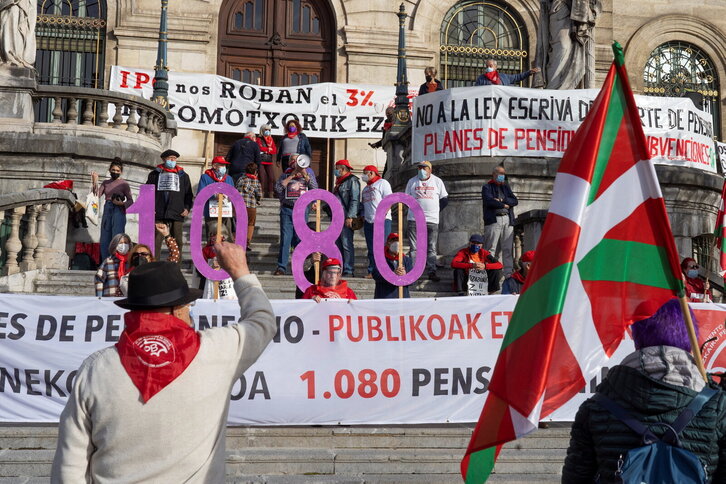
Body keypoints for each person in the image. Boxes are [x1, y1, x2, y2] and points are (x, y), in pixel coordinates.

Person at [52, 243, 275, 482]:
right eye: (188, 306)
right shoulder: (216, 351)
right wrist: (240, 272)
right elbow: (262, 321)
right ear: (178, 310)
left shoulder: (97, 368)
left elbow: (70, 464)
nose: (189, 312)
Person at [562, 298, 726, 483]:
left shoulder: (595, 407)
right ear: (691, 336)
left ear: (636, 337)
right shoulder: (717, 407)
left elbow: (575, 478)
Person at [274, 154, 318, 275]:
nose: (296, 162)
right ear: (290, 163)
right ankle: (281, 267)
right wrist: (291, 176)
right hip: (287, 209)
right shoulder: (286, 174)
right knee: (286, 239)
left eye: (298, 160)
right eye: (293, 160)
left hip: (302, 210)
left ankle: (298, 266)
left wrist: (305, 175)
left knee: (300, 239)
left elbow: (315, 188)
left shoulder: (308, 173)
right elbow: (277, 189)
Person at [405, 160, 448, 282]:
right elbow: (406, 198)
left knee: (431, 247)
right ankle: (414, 272)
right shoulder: (412, 181)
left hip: (431, 220)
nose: (421, 170)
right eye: (419, 168)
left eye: (424, 168)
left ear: (430, 170)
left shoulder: (437, 181)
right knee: (414, 247)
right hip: (414, 219)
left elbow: (444, 199)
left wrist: (435, 210)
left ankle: (431, 270)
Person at [146, 149, 193, 260]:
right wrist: (150, 207)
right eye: (170, 158)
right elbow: (147, 192)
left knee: (178, 242)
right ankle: (154, 265)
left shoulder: (183, 176)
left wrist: (187, 208)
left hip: (177, 213)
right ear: (164, 159)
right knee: (156, 241)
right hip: (159, 213)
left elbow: (189, 194)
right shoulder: (154, 174)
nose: (172, 160)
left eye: (174, 158)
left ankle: (175, 266)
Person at [119, 223, 180, 295]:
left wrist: (167, 235)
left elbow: (174, 256)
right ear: (132, 258)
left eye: (144, 254)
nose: (140, 256)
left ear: (150, 257)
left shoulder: (157, 273)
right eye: (136, 254)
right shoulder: (126, 278)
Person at [91, 159, 134, 262]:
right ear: (109, 170)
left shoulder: (124, 184)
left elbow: (130, 201)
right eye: (113, 170)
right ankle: (106, 262)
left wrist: (121, 204)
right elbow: (96, 195)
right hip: (108, 208)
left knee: (117, 236)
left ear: (121, 172)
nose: (115, 172)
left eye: (118, 170)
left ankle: (117, 262)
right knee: (105, 237)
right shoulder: (106, 183)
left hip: (119, 209)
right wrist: (95, 181)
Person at [482, 165, 518, 277]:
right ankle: (488, 272)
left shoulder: (505, 187)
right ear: (494, 174)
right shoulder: (487, 187)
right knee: (490, 248)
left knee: (508, 248)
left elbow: (515, 201)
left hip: (507, 219)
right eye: (500, 174)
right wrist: (504, 205)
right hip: (494, 220)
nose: (502, 176)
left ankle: (508, 273)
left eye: (503, 174)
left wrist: (501, 200)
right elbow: (489, 201)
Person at [361, 164, 392, 278]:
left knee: (382, 247)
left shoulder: (382, 183)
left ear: (371, 173)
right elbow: (364, 204)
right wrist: (363, 216)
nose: (363, 176)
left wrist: (383, 215)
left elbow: (389, 200)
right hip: (368, 221)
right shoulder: (365, 189)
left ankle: (384, 271)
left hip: (382, 220)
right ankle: (372, 271)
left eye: (365, 173)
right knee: (371, 248)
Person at [333, 159, 361, 276]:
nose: (335, 171)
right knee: (338, 243)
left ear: (343, 169)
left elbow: (355, 199)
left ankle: (349, 269)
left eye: (337, 168)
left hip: (346, 216)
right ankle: (341, 267)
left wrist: (350, 216)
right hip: (336, 217)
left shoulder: (352, 180)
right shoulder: (338, 182)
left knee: (346, 243)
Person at [197, 155, 235, 238]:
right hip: (211, 212)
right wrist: (214, 195)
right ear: (214, 166)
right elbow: (201, 194)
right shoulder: (205, 177)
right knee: (212, 237)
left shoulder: (229, 178)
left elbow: (233, 194)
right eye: (221, 165)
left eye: (224, 165)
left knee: (227, 237)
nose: (224, 167)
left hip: (226, 212)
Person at [373, 233, 413, 299]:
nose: (396, 243)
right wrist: (392, 274)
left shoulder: (407, 260)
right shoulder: (380, 259)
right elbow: (376, 275)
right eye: (393, 240)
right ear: (387, 244)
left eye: (398, 241)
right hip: (385, 297)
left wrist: (405, 275)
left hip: (402, 297)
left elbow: (412, 280)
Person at [94, 233, 132, 297]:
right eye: (120, 243)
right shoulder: (108, 261)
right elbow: (99, 279)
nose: (123, 245)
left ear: (129, 245)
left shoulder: (131, 262)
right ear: (115, 245)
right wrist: (99, 297)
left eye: (125, 243)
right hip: (110, 299)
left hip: (126, 299)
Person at [236, 162, 262, 248]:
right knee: (250, 223)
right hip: (251, 205)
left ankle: (239, 241)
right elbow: (259, 194)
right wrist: (257, 199)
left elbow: (236, 189)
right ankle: (247, 242)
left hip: (240, 204)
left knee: (240, 223)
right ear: (255, 172)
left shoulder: (241, 179)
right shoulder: (256, 181)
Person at [475, 59, 540, 86]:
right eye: (487, 66)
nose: (488, 67)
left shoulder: (503, 77)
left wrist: (529, 72)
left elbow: (517, 77)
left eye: (490, 66)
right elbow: (476, 92)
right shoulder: (481, 79)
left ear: (495, 67)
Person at [256, 124, 278, 198]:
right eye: (266, 130)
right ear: (262, 130)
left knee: (271, 177)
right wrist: (268, 149)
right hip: (261, 160)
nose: (267, 131)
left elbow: (274, 150)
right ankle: (261, 192)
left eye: (269, 130)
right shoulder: (259, 139)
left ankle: (271, 193)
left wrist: (266, 150)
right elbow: (259, 148)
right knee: (262, 177)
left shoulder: (271, 139)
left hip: (269, 160)